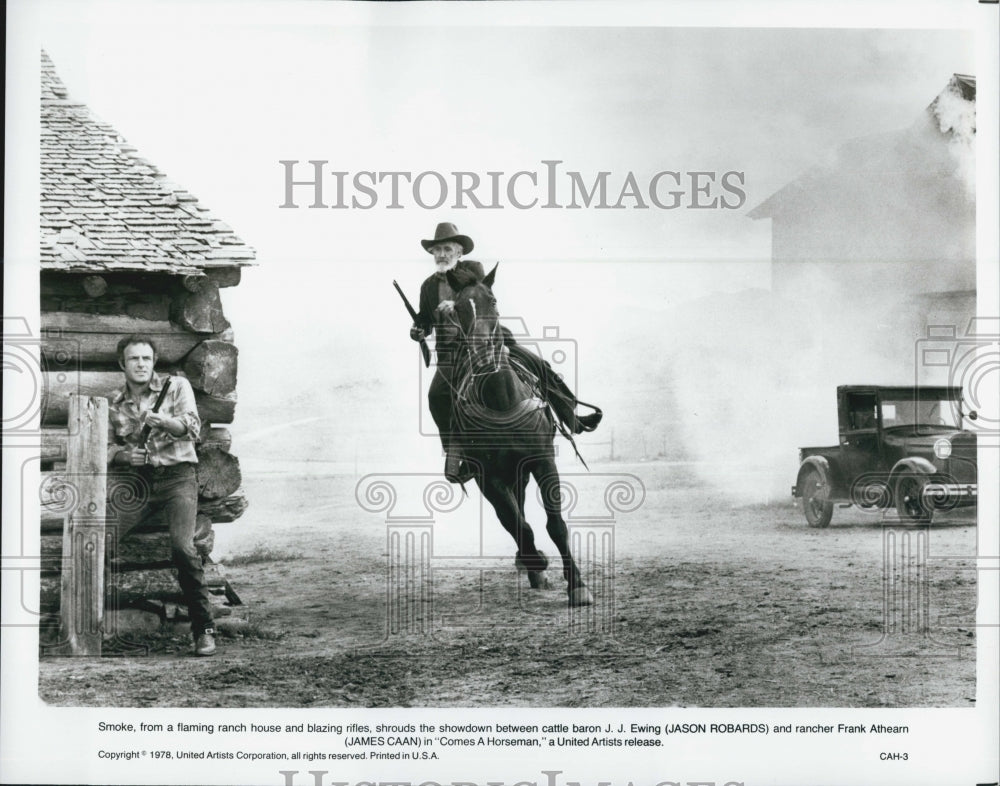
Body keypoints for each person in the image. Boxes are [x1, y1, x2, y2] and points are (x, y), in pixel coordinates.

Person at [409, 222, 601, 483]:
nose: (442, 254)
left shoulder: (472, 270)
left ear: (459, 251)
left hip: (488, 340)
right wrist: (418, 330)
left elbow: (479, 294)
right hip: (452, 355)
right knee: (436, 396)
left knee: (539, 365)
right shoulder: (427, 287)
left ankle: (571, 417)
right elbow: (424, 320)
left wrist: (454, 303)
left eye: (447, 249)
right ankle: (457, 452)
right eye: (437, 250)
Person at [106, 334, 216, 656]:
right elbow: (107, 445)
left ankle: (204, 630)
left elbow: (192, 427)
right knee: (98, 539)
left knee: (183, 547)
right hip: (139, 485)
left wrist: (166, 423)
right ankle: (91, 625)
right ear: (121, 364)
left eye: (146, 358)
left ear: (154, 361)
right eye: (133, 359)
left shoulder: (176, 387)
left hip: (178, 478)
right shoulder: (114, 403)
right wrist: (124, 457)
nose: (140, 364)